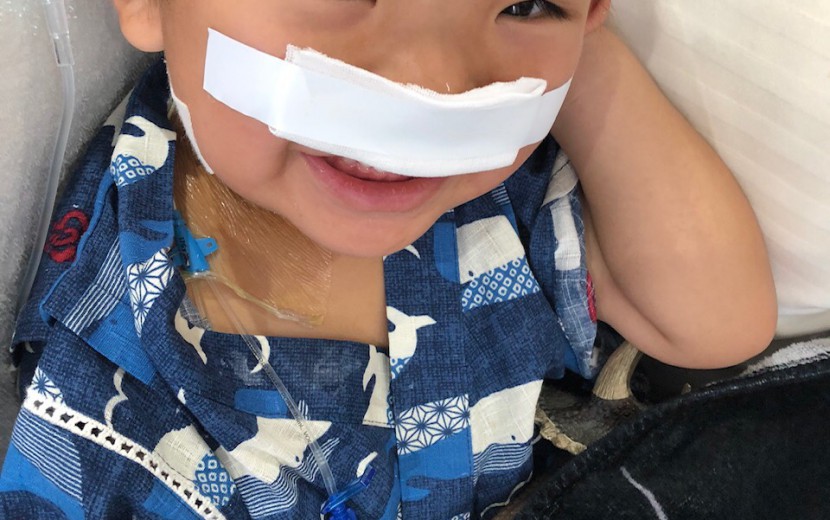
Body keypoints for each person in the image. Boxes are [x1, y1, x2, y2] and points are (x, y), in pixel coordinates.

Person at [0, 0, 776, 518]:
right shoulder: (114, 369)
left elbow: (711, 322)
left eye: (524, 3)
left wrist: (574, 57)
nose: (431, 86)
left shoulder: (493, 188)